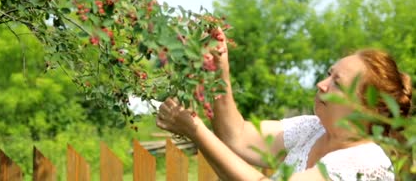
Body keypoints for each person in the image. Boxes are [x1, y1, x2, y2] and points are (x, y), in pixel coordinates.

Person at [156, 29, 412, 180]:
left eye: (337, 82)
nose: (321, 84)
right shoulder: (312, 129)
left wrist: (195, 130)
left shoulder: (366, 163)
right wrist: (218, 70)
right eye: (328, 73)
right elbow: (237, 136)